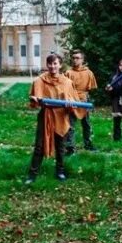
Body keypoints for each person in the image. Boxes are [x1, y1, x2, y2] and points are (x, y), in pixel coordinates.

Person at [26, 53, 81, 184]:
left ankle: (60, 172)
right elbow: (34, 99)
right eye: (50, 63)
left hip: (61, 117)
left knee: (61, 147)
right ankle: (32, 175)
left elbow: (74, 102)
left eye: (55, 63)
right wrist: (34, 99)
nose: (52, 66)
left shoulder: (67, 82)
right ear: (47, 65)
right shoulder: (40, 80)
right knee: (39, 146)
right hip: (46, 116)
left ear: (60, 65)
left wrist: (70, 105)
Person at [65, 49, 97, 153]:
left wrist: (87, 100)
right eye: (73, 58)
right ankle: (70, 147)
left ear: (82, 60)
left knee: (86, 124)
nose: (75, 60)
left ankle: (88, 144)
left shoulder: (88, 73)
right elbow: (64, 88)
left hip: (84, 100)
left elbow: (91, 89)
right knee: (70, 124)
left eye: (77, 58)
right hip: (72, 100)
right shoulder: (68, 73)